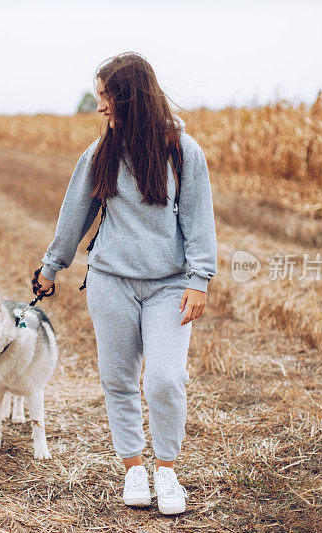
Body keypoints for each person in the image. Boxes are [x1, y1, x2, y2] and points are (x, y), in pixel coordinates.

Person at [33, 52, 217, 515]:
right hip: (111, 281)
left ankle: (167, 472)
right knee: (118, 379)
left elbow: (198, 221)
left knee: (165, 379)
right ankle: (134, 467)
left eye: (106, 96)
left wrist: (200, 279)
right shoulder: (100, 154)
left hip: (169, 285)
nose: (100, 107)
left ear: (131, 97)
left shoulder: (182, 150)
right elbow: (75, 216)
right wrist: (51, 267)